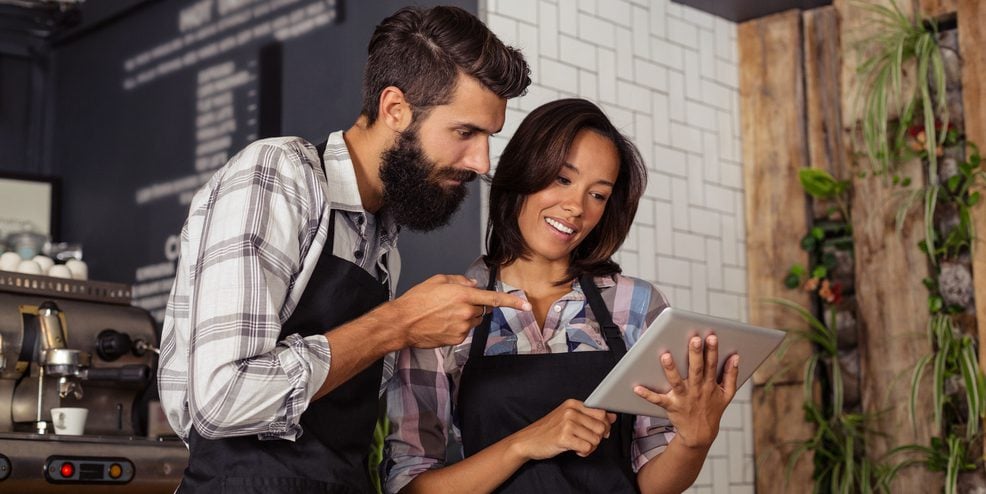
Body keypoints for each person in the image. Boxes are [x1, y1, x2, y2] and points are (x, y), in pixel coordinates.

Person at [157, 5, 532, 493]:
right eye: (465, 132)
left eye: (488, 137)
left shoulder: (380, 238)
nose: (481, 162)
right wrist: (398, 324)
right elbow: (221, 399)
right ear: (394, 108)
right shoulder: (278, 175)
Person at [383, 98, 739, 494]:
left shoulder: (636, 307)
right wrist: (523, 444)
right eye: (562, 179)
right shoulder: (447, 311)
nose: (575, 207)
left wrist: (694, 440)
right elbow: (410, 484)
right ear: (523, 171)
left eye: (598, 195)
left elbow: (651, 483)